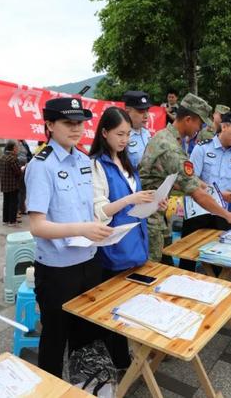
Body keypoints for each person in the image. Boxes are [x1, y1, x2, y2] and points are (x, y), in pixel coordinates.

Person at [25, 97, 113, 377]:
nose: (77, 129)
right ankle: (50, 388)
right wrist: (82, 229)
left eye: (80, 123)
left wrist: (99, 227)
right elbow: (37, 226)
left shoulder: (84, 161)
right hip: (57, 270)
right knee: (55, 337)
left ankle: (84, 387)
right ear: (49, 125)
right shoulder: (42, 165)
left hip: (89, 260)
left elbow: (86, 210)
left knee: (85, 333)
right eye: (68, 123)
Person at [89, 106, 163, 369]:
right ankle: (120, 362)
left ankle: (129, 356)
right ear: (105, 132)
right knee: (115, 309)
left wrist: (153, 202)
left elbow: (135, 205)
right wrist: (132, 198)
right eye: (120, 134)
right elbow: (100, 211)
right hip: (115, 248)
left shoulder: (126, 160)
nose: (124, 140)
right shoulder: (97, 165)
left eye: (128, 134)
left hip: (136, 243)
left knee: (133, 303)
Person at [139, 94, 231, 263]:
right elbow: (196, 193)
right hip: (152, 217)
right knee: (154, 271)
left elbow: (190, 180)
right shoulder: (171, 148)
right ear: (188, 119)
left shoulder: (165, 137)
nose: (200, 128)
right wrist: (227, 215)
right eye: (199, 123)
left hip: (156, 214)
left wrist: (208, 188)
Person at [180, 110, 231, 270]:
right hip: (197, 211)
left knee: (218, 257)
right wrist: (219, 194)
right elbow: (191, 180)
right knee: (188, 256)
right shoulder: (202, 149)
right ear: (224, 126)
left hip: (222, 213)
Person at [122, 90, 152, 169]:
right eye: (141, 111)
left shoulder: (147, 133)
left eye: (147, 111)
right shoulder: (122, 137)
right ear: (128, 111)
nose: (146, 116)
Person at [0, 140, 23, 226]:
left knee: (6, 202)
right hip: (13, 184)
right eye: (17, 147)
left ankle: (5, 220)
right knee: (13, 202)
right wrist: (22, 169)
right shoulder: (13, 158)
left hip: (4, 183)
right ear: (13, 148)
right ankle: (12, 221)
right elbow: (18, 172)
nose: (18, 149)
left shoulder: (1, 157)